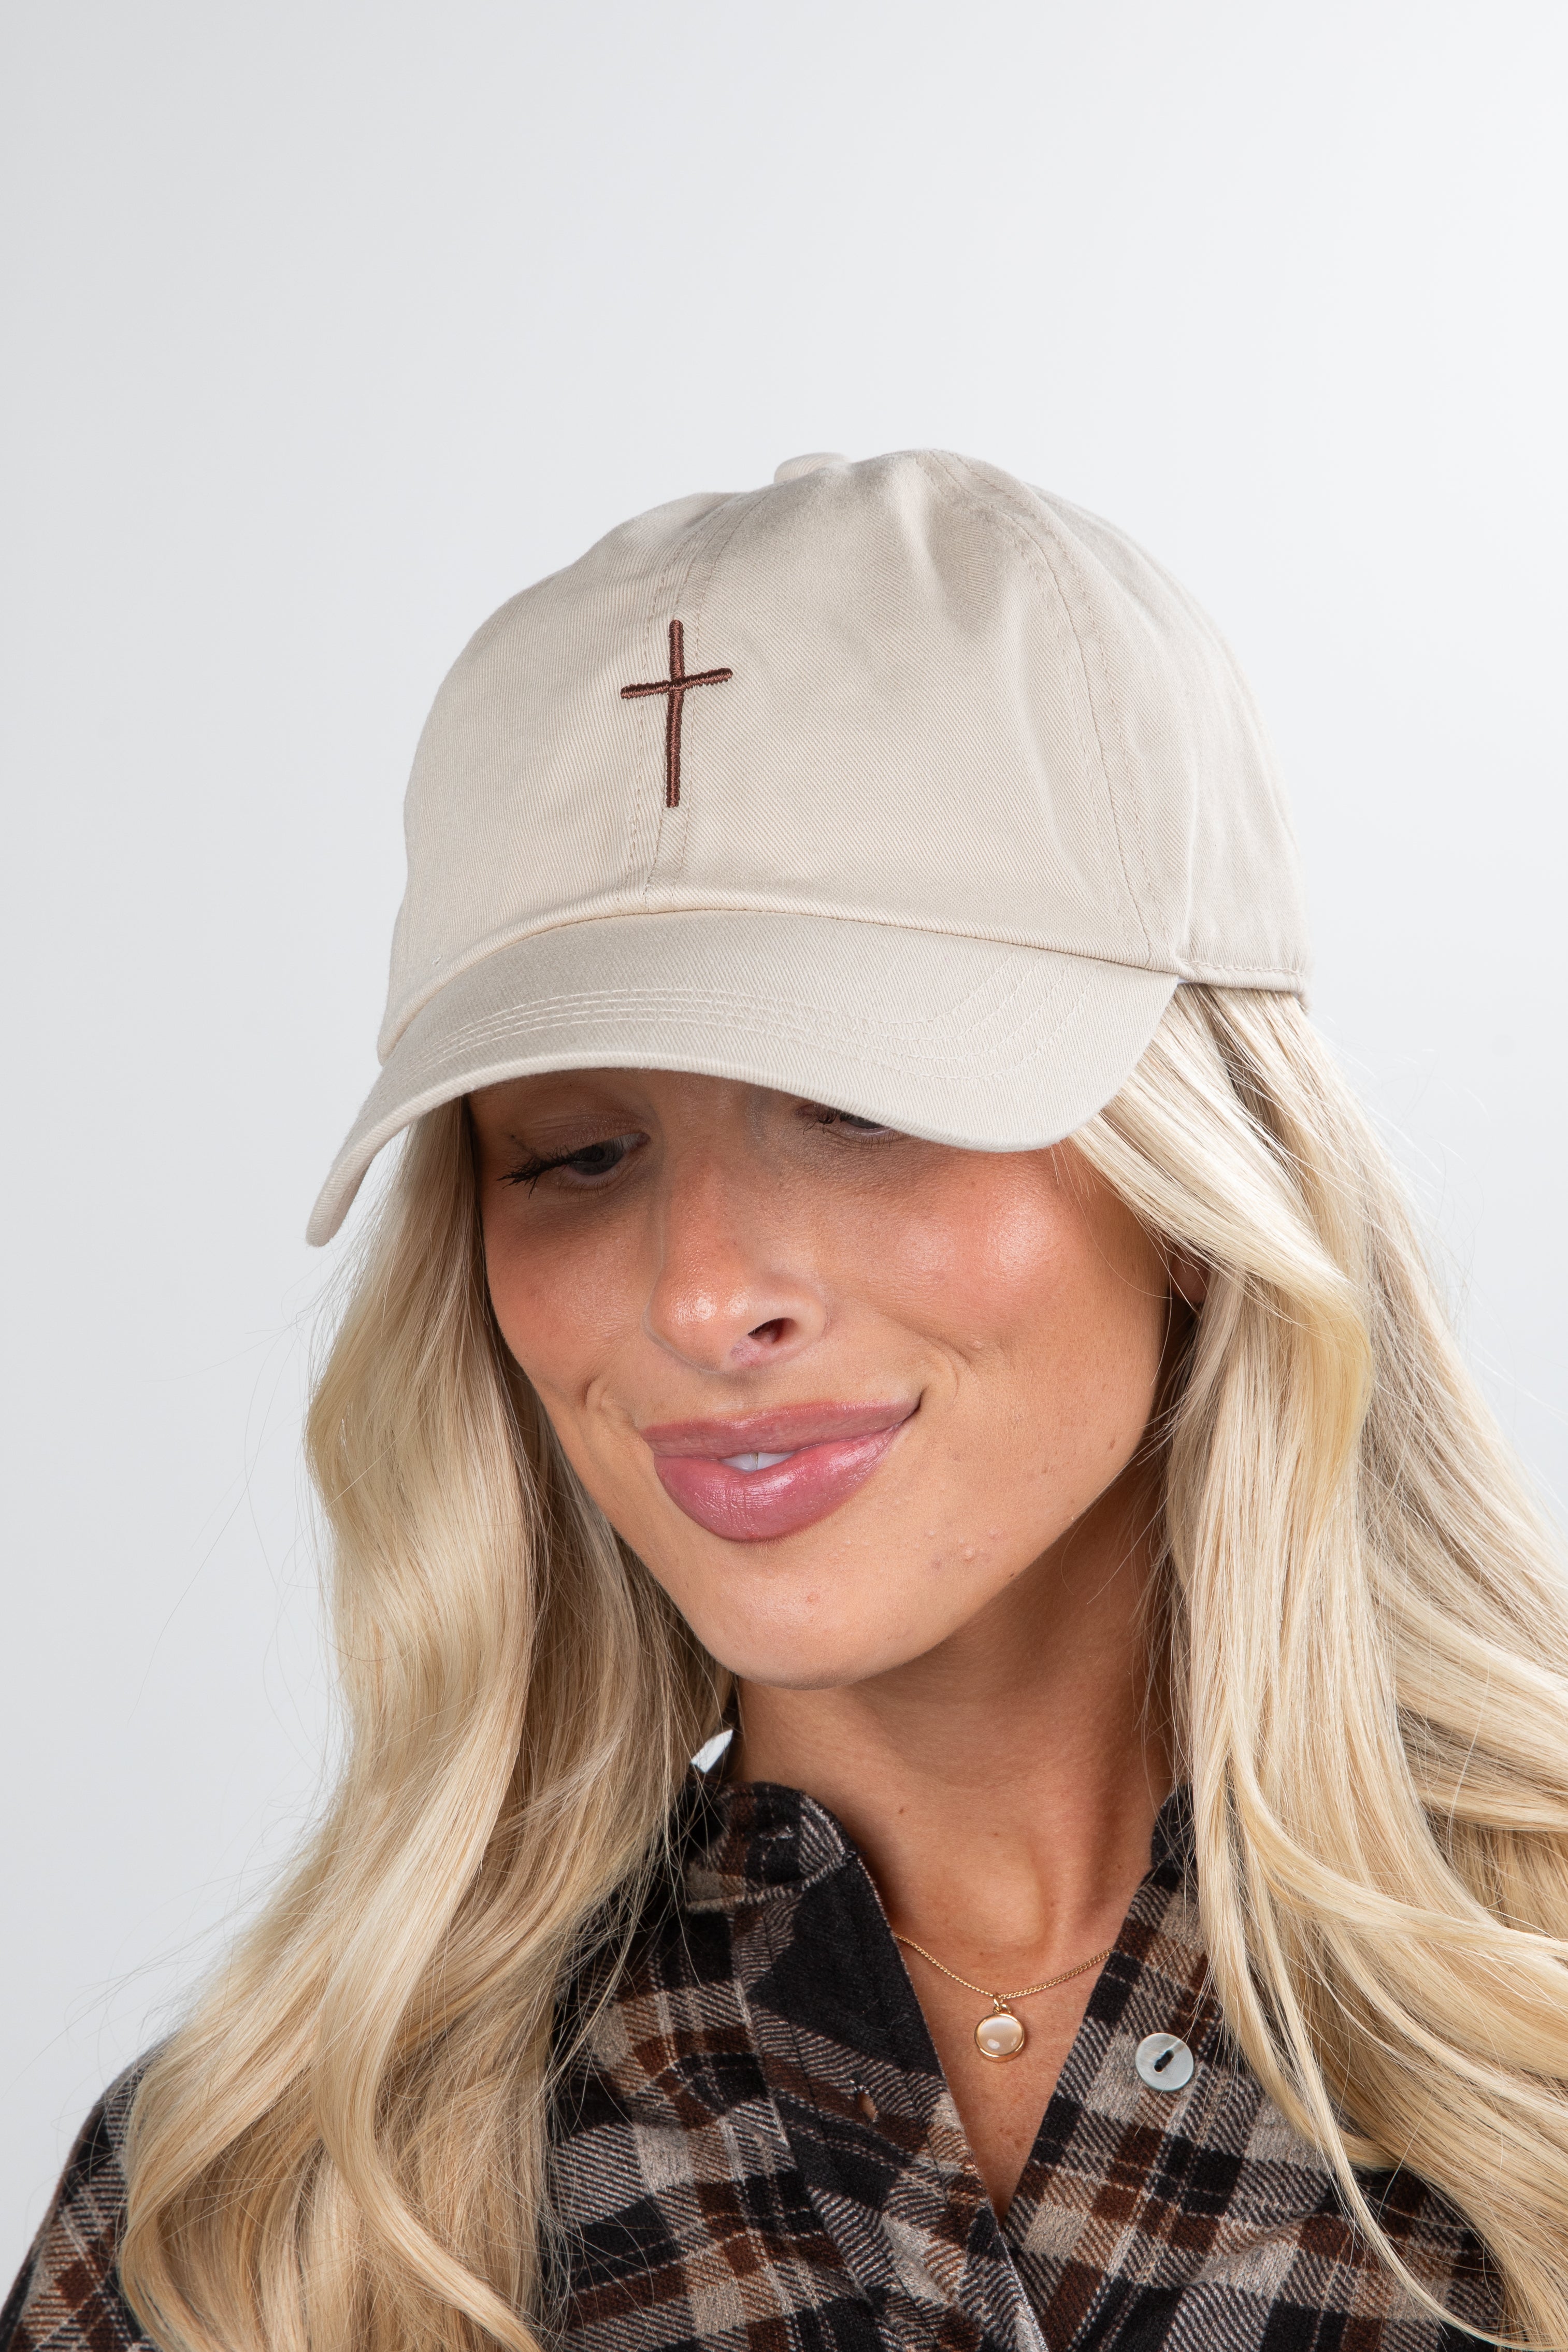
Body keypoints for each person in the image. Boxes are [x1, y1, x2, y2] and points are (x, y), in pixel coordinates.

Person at [7, 449, 1566, 2352]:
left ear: (1197, 1176)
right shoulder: (270, 2227)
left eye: (861, 1106)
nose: (700, 1291)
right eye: (576, 1153)